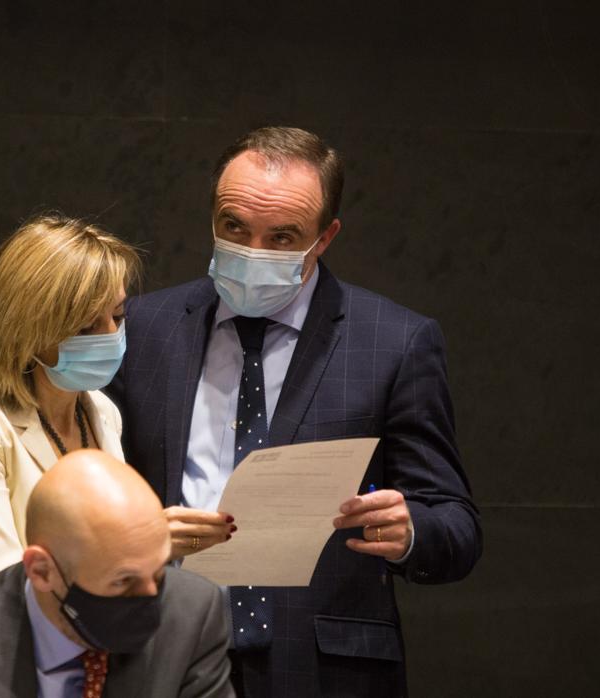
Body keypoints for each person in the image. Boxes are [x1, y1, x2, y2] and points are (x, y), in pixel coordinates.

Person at [105, 127, 483, 696]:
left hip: (325, 668)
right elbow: (89, 487)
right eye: (234, 227)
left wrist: (411, 531)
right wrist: (138, 534)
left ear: (325, 236)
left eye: (282, 236)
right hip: (161, 653)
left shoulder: (393, 342)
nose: (253, 250)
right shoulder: (144, 328)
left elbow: (456, 525)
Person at [0, 449, 235, 698]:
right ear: (41, 571)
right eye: (123, 581)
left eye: (158, 572)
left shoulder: (192, 614)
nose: (151, 597)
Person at [0, 215, 139, 593]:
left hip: (100, 643)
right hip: (5, 647)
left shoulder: (102, 413)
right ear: (28, 330)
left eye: (117, 316)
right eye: (87, 326)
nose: (110, 335)